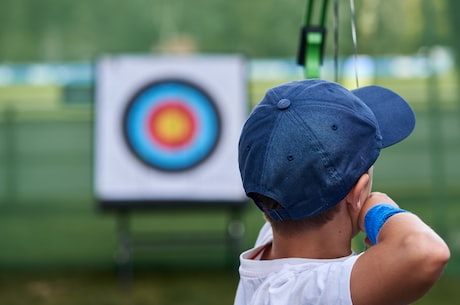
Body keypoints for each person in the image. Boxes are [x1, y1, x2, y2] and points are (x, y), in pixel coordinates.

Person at [234, 79, 450, 305]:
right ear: (358, 194)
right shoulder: (300, 293)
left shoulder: (275, 240)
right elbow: (426, 252)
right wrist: (377, 212)